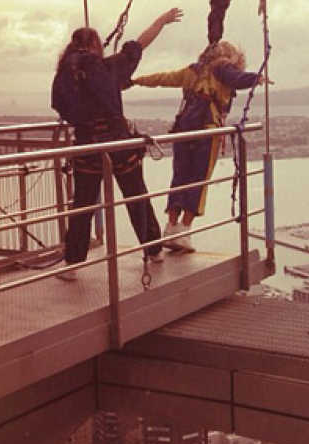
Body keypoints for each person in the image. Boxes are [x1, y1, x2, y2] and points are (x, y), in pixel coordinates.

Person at [51, 8, 183, 280]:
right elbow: (139, 45)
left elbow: (62, 107)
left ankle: (72, 264)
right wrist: (161, 21)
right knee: (136, 196)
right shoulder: (106, 67)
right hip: (118, 142)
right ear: (95, 45)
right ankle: (154, 250)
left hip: (87, 145)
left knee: (83, 205)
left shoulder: (63, 74)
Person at [132, 41, 264, 252]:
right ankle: (184, 231)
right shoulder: (222, 68)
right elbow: (236, 79)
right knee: (199, 180)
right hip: (207, 130)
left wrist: (137, 81)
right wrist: (256, 78)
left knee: (180, 177)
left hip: (184, 129)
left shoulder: (192, 71)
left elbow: (164, 78)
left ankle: (170, 228)